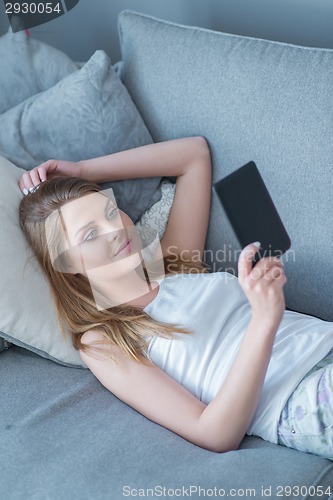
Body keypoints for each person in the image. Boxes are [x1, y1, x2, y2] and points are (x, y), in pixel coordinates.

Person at [18, 136, 333, 460]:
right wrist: (264, 321)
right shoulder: (103, 341)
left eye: (111, 211)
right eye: (91, 234)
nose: (116, 230)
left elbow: (194, 154)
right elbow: (213, 433)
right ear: (66, 264)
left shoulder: (172, 261)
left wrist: (83, 169)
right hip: (300, 396)